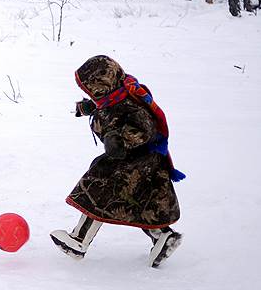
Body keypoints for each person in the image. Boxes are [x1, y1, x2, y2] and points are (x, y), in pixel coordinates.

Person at [50, 55, 185, 268]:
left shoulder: (129, 104)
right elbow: (107, 109)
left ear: (102, 85)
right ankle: (163, 237)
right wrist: (88, 108)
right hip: (132, 164)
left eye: (92, 89)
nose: (91, 93)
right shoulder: (114, 96)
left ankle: (78, 241)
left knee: (98, 194)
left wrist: (120, 139)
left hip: (132, 163)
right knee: (137, 202)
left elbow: (145, 128)